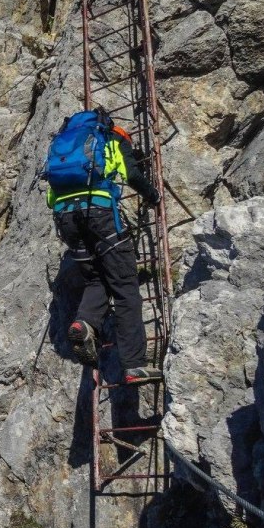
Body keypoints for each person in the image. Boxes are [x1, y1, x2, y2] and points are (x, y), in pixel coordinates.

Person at [41, 106, 163, 384]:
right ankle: (134, 365)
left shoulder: (61, 146)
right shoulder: (111, 137)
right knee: (124, 287)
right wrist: (153, 196)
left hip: (65, 219)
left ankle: (84, 322)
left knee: (96, 277)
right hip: (99, 213)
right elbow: (132, 175)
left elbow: (51, 197)